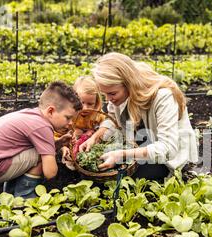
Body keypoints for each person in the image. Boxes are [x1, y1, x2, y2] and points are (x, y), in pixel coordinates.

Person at [79, 52, 198, 180]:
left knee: (127, 177)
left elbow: (167, 148)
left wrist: (122, 155)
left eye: (112, 94)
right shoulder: (122, 91)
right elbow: (113, 118)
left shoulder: (163, 97)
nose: (108, 100)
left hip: (168, 156)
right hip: (141, 139)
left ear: (129, 84)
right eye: (104, 94)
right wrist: (96, 137)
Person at [0, 81, 82, 198]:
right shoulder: (43, 127)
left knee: (38, 153)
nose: (71, 123)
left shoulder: (32, 115)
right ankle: (25, 196)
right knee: (41, 157)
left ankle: (10, 193)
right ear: (51, 111)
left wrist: (58, 144)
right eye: (68, 118)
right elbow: (50, 173)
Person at [58, 76, 114, 169]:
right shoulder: (68, 116)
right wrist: (63, 147)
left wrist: (90, 132)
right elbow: (56, 135)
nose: (85, 108)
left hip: (88, 145)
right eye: (82, 102)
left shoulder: (98, 115)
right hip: (70, 145)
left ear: (96, 103)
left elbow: (106, 127)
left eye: (90, 104)